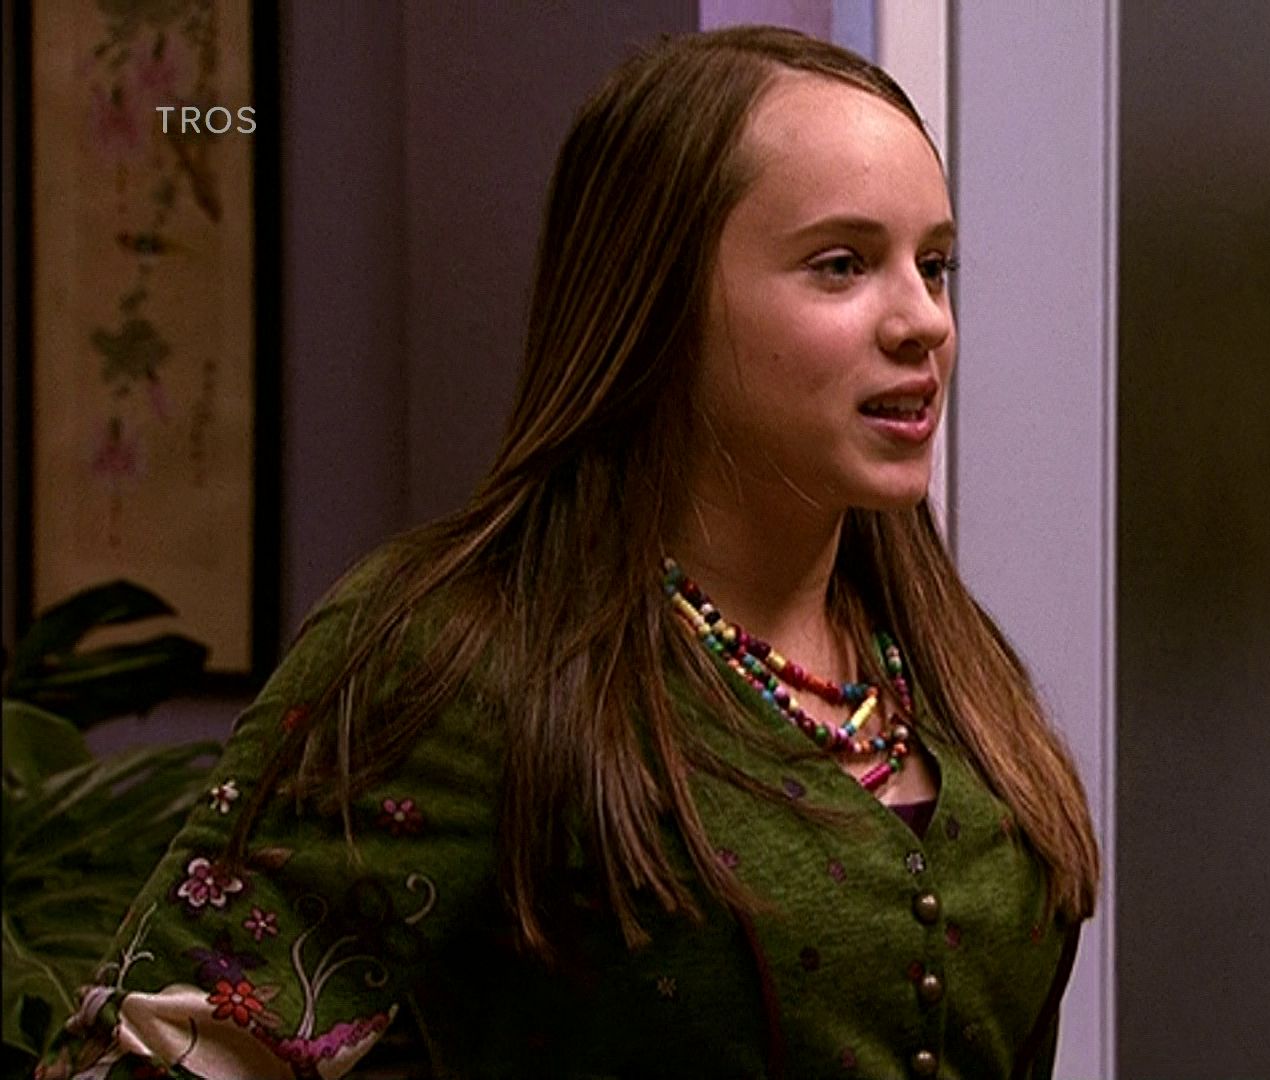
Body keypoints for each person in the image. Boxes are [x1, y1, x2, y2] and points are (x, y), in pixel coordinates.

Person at [35, 24, 1099, 1080]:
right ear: (660, 299)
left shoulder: (946, 663)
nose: (923, 322)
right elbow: (155, 1053)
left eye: (935, 266)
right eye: (842, 265)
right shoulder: (466, 653)